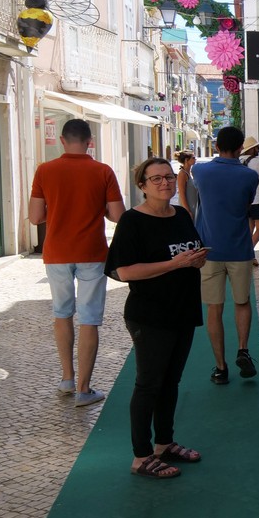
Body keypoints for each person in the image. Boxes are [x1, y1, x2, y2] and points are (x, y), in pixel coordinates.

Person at [105, 158, 208, 479]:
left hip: (183, 309)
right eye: (156, 179)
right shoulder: (132, 221)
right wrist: (175, 264)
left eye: (169, 177)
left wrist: (196, 260)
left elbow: (189, 252)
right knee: (148, 384)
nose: (165, 183)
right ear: (142, 185)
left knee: (170, 381)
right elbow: (123, 271)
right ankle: (141, 456)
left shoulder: (181, 214)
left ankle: (164, 442)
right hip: (149, 314)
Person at [29, 118, 125, 407]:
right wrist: (96, 209)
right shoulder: (103, 171)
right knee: (89, 318)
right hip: (92, 252)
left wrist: (59, 211)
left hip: (57, 252)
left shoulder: (45, 170)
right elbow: (118, 216)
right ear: (89, 141)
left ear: (62, 140)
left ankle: (67, 379)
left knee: (62, 313)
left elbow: (35, 217)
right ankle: (84, 390)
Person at [191, 126, 259, 385]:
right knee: (242, 302)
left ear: (217, 146)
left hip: (209, 249)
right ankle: (243, 349)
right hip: (240, 248)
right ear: (241, 148)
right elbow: (247, 204)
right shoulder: (249, 176)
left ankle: (221, 367)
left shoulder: (200, 171)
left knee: (214, 308)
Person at [240, 136, 259, 264]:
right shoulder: (257, 161)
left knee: (249, 227)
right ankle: (248, 253)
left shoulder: (239, 160)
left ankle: (249, 255)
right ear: (252, 149)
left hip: (244, 200)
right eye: (257, 147)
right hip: (257, 199)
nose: (258, 149)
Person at [175, 150, 199, 221]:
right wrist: (187, 210)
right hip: (187, 206)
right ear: (186, 160)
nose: (195, 159)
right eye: (193, 158)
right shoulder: (182, 174)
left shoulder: (189, 173)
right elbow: (182, 194)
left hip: (192, 204)